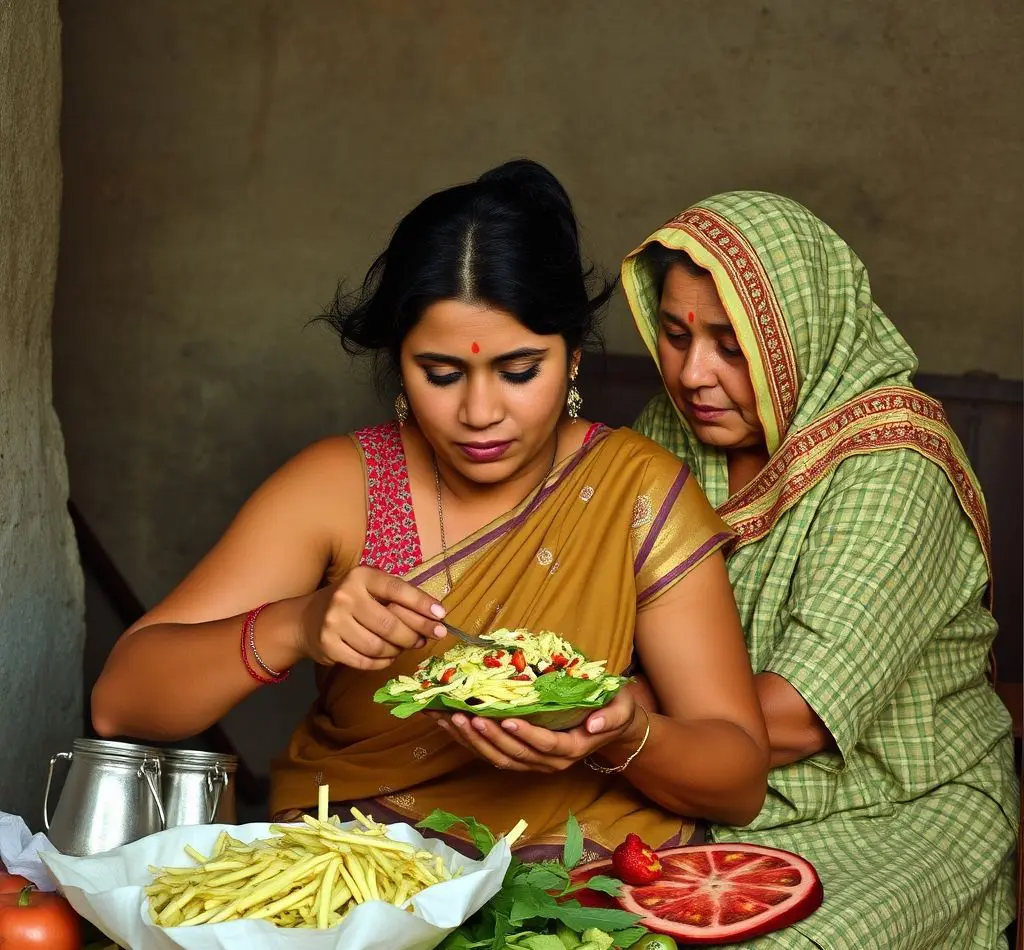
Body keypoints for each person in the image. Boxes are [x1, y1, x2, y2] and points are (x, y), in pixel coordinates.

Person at [91, 160, 770, 857]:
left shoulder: (634, 491)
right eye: (441, 374)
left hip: (576, 863)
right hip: (362, 865)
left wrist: (622, 735)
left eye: (518, 371)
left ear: (572, 358)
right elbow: (121, 702)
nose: (480, 412)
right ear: (400, 363)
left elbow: (739, 780)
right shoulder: (343, 486)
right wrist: (298, 624)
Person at [621, 191, 1019, 948]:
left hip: (891, 806)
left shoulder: (897, 465)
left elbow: (797, 719)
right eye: (675, 336)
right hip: (687, 781)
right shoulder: (667, 432)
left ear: (797, 338)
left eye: (732, 346)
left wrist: (615, 717)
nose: (694, 374)